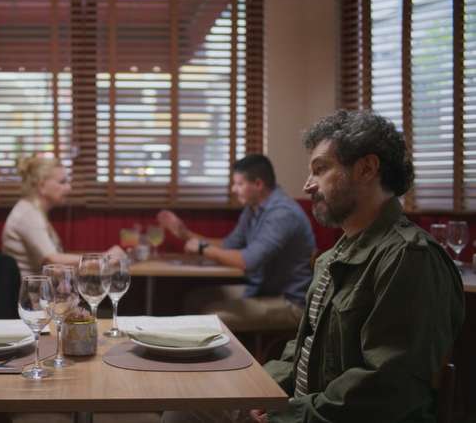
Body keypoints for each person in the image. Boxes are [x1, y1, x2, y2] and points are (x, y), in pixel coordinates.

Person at [250, 110, 465, 423]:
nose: (308, 185)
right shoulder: (331, 257)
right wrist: (261, 390)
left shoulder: (409, 257)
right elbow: (305, 347)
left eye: (320, 169)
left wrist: (289, 415)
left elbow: (388, 387)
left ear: (367, 169)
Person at [157, 154, 315, 332]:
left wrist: (202, 248)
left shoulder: (282, 214)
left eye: (239, 184)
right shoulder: (253, 208)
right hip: (261, 290)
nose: (233, 189)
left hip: (289, 302)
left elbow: (247, 261)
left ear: (258, 184)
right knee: (195, 299)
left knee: (210, 315)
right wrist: (185, 234)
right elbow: (228, 245)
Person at [2, 155, 125, 277]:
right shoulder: (28, 214)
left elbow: (56, 266)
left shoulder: (33, 210)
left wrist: (100, 259)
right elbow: (52, 260)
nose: (69, 188)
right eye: (62, 182)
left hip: (44, 287)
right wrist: (103, 259)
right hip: (32, 289)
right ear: (41, 186)